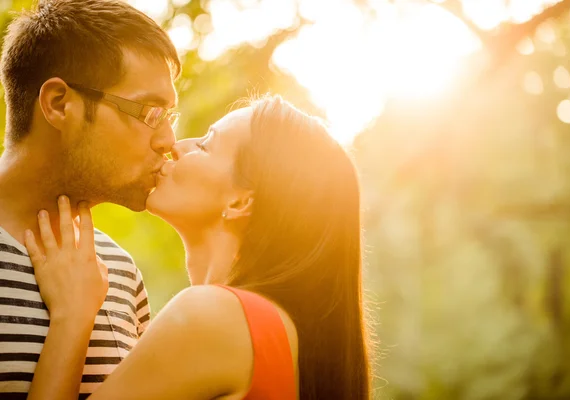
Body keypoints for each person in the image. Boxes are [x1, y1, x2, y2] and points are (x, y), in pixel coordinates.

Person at [25, 95, 373, 399]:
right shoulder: (277, 332)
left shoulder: (213, 315)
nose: (177, 145)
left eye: (206, 144)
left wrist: (71, 318)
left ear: (240, 202)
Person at [0, 0, 180, 398]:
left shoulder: (119, 270)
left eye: (171, 116)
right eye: (150, 112)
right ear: (59, 104)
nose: (168, 141)